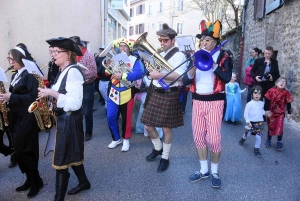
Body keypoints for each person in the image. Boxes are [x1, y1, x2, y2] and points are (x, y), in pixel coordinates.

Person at [37, 37, 91, 201]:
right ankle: (84, 182)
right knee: (73, 154)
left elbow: (75, 103)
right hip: (64, 119)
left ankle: (58, 198)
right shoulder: (63, 71)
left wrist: (52, 93)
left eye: (56, 51)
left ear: (68, 54)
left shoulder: (73, 72)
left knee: (60, 161)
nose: (53, 55)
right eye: (51, 51)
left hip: (69, 120)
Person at [183, 20, 232, 188]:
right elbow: (185, 80)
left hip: (215, 101)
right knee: (198, 137)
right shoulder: (195, 56)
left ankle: (215, 171)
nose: (204, 42)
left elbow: (226, 78)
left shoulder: (225, 57)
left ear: (216, 43)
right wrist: (194, 67)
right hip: (197, 100)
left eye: (208, 40)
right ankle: (203, 170)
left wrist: (213, 65)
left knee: (214, 139)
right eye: (203, 39)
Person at [140, 23, 186, 173]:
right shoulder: (159, 52)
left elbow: (180, 76)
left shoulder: (180, 55)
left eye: (165, 40)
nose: (162, 43)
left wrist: (159, 75)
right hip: (154, 91)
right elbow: (154, 71)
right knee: (148, 125)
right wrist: (151, 71)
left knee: (166, 129)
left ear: (173, 40)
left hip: (169, 93)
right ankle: (158, 148)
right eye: (160, 40)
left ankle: (165, 157)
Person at [0, 47, 43, 198]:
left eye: (12, 59)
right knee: (19, 150)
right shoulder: (16, 74)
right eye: (9, 59)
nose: (10, 63)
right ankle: (29, 179)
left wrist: (11, 97)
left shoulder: (30, 75)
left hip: (27, 118)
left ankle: (37, 181)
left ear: (20, 59)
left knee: (27, 150)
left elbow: (33, 98)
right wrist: (6, 97)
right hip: (16, 118)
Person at [105, 38, 143, 152]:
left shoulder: (134, 60)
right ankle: (116, 138)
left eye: (124, 46)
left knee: (126, 119)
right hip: (113, 91)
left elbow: (138, 74)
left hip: (127, 91)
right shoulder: (114, 58)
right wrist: (110, 64)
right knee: (110, 117)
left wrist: (123, 75)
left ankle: (126, 140)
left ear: (129, 48)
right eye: (120, 46)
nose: (122, 48)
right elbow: (106, 73)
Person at [70, 36, 97, 142]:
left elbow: (93, 72)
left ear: (80, 46)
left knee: (87, 112)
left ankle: (88, 132)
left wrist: (78, 72)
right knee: (77, 110)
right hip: (76, 86)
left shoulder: (88, 56)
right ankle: (78, 131)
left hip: (87, 86)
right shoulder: (73, 56)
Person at [264, 77, 294, 151]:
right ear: (276, 83)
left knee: (280, 127)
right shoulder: (271, 91)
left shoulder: (286, 93)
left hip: (280, 113)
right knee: (271, 126)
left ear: (285, 85)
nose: (282, 83)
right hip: (271, 112)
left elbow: (288, 103)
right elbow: (267, 100)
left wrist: (289, 113)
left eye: (284, 82)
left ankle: (279, 142)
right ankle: (268, 140)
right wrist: (267, 110)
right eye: (280, 81)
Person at [239, 86, 267, 158]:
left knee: (258, 137)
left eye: (259, 93)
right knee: (247, 134)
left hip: (260, 122)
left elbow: (261, 111)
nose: (257, 95)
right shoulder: (249, 104)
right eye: (255, 93)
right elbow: (245, 114)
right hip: (251, 123)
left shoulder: (262, 103)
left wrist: (265, 113)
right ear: (252, 94)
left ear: (261, 95)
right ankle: (243, 139)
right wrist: (248, 122)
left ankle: (257, 149)